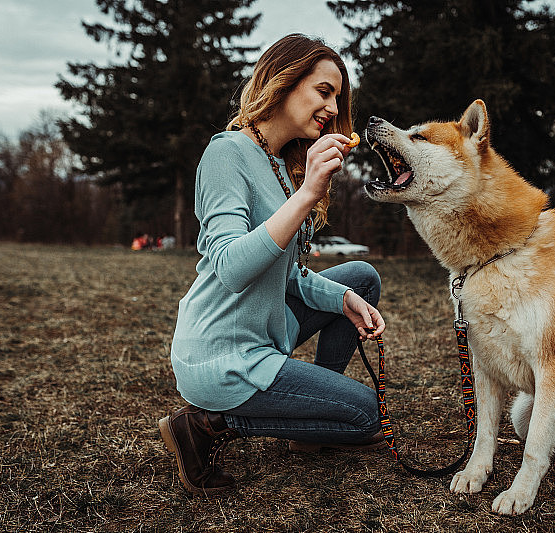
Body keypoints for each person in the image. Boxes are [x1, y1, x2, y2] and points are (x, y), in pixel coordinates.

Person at [158, 34, 386, 495]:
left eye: (337, 97)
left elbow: (288, 273)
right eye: (323, 91)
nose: (332, 106)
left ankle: (306, 418)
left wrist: (343, 299)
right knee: (367, 416)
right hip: (223, 351)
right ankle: (205, 425)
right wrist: (306, 197)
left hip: (262, 329)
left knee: (360, 278)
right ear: (284, 81)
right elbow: (230, 268)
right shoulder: (226, 154)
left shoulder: (282, 164)